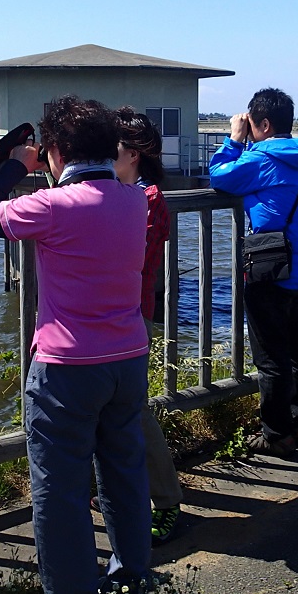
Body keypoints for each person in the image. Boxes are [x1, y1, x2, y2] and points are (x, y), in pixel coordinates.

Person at [0, 96, 151, 594]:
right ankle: (131, 581)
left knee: (60, 492)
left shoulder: (51, 206)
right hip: (128, 359)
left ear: (57, 151)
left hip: (66, 368)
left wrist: (17, 164)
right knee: (123, 473)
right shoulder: (136, 199)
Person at [208, 88, 298, 457]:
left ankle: (276, 434)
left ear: (264, 124)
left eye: (252, 124)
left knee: (271, 356)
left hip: (271, 267)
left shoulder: (264, 158)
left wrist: (233, 140)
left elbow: (221, 177)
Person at [114, 106, 182, 545]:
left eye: (112, 148)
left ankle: (167, 500)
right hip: (107, 312)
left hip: (132, 312)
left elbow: (133, 253)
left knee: (133, 407)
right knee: (110, 407)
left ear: (134, 153)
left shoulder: (149, 197)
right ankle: (112, 491)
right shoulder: (116, 192)